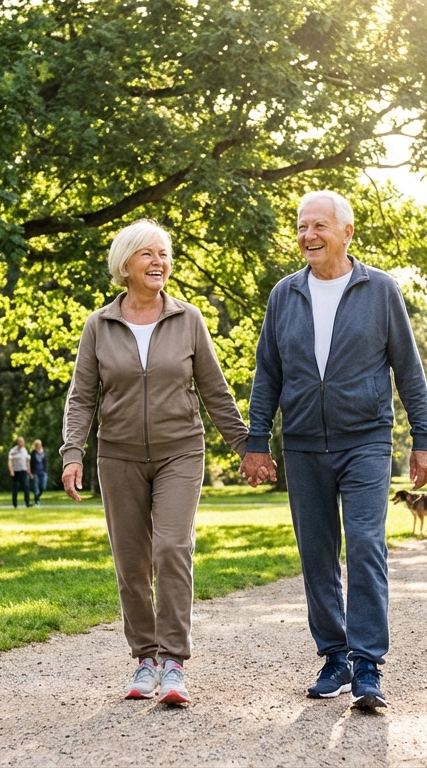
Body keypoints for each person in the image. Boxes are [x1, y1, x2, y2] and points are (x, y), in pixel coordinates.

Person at [241, 191, 427, 711]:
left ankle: (368, 664)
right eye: (302, 226)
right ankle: (334, 656)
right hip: (303, 441)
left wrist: (424, 440)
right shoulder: (284, 295)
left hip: (366, 438)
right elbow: (268, 373)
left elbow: (408, 369)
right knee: (317, 553)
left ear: (347, 232)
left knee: (367, 545)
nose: (308, 235)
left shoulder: (380, 290)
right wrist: (256, 440)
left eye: (319, 226)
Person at [61, 218, 250, 706]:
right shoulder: (99, 324)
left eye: (164, 254)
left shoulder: (188, 319)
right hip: (118, 455)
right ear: (125, 263)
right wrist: (72, 453)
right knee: (131, 561)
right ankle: (144, 658)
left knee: (171, 548)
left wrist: (245, 446)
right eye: (148, 254)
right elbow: (82, 396)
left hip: (180, 450)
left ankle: (173, 664)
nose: (159, 262)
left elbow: (214, 389)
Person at [8, 437, 32, 508]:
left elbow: (27, 461)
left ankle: (27, 503)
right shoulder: (13, 450)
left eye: (23, 441)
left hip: (24, 471)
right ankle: (15, 503)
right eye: (20, 441)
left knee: (26, 487)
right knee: (16, 487)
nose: (22, 443)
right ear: (18, 442)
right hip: (16, 471)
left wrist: (29, 471)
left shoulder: (25, 450)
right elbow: (9, 461)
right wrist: (11, 470)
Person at [29, 439, 49, 506]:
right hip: (35, 472)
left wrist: (46, 471)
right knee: (36, 488)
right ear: (35, 445)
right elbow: (29, 464)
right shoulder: (32, 453)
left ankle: (37, 496)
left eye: (39, 444)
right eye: (37, 445)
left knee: (43, 487)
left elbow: (45, 462)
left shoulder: (44, 452)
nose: (38, 446)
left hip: (43, 472)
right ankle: (37, 501)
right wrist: (30, 473)